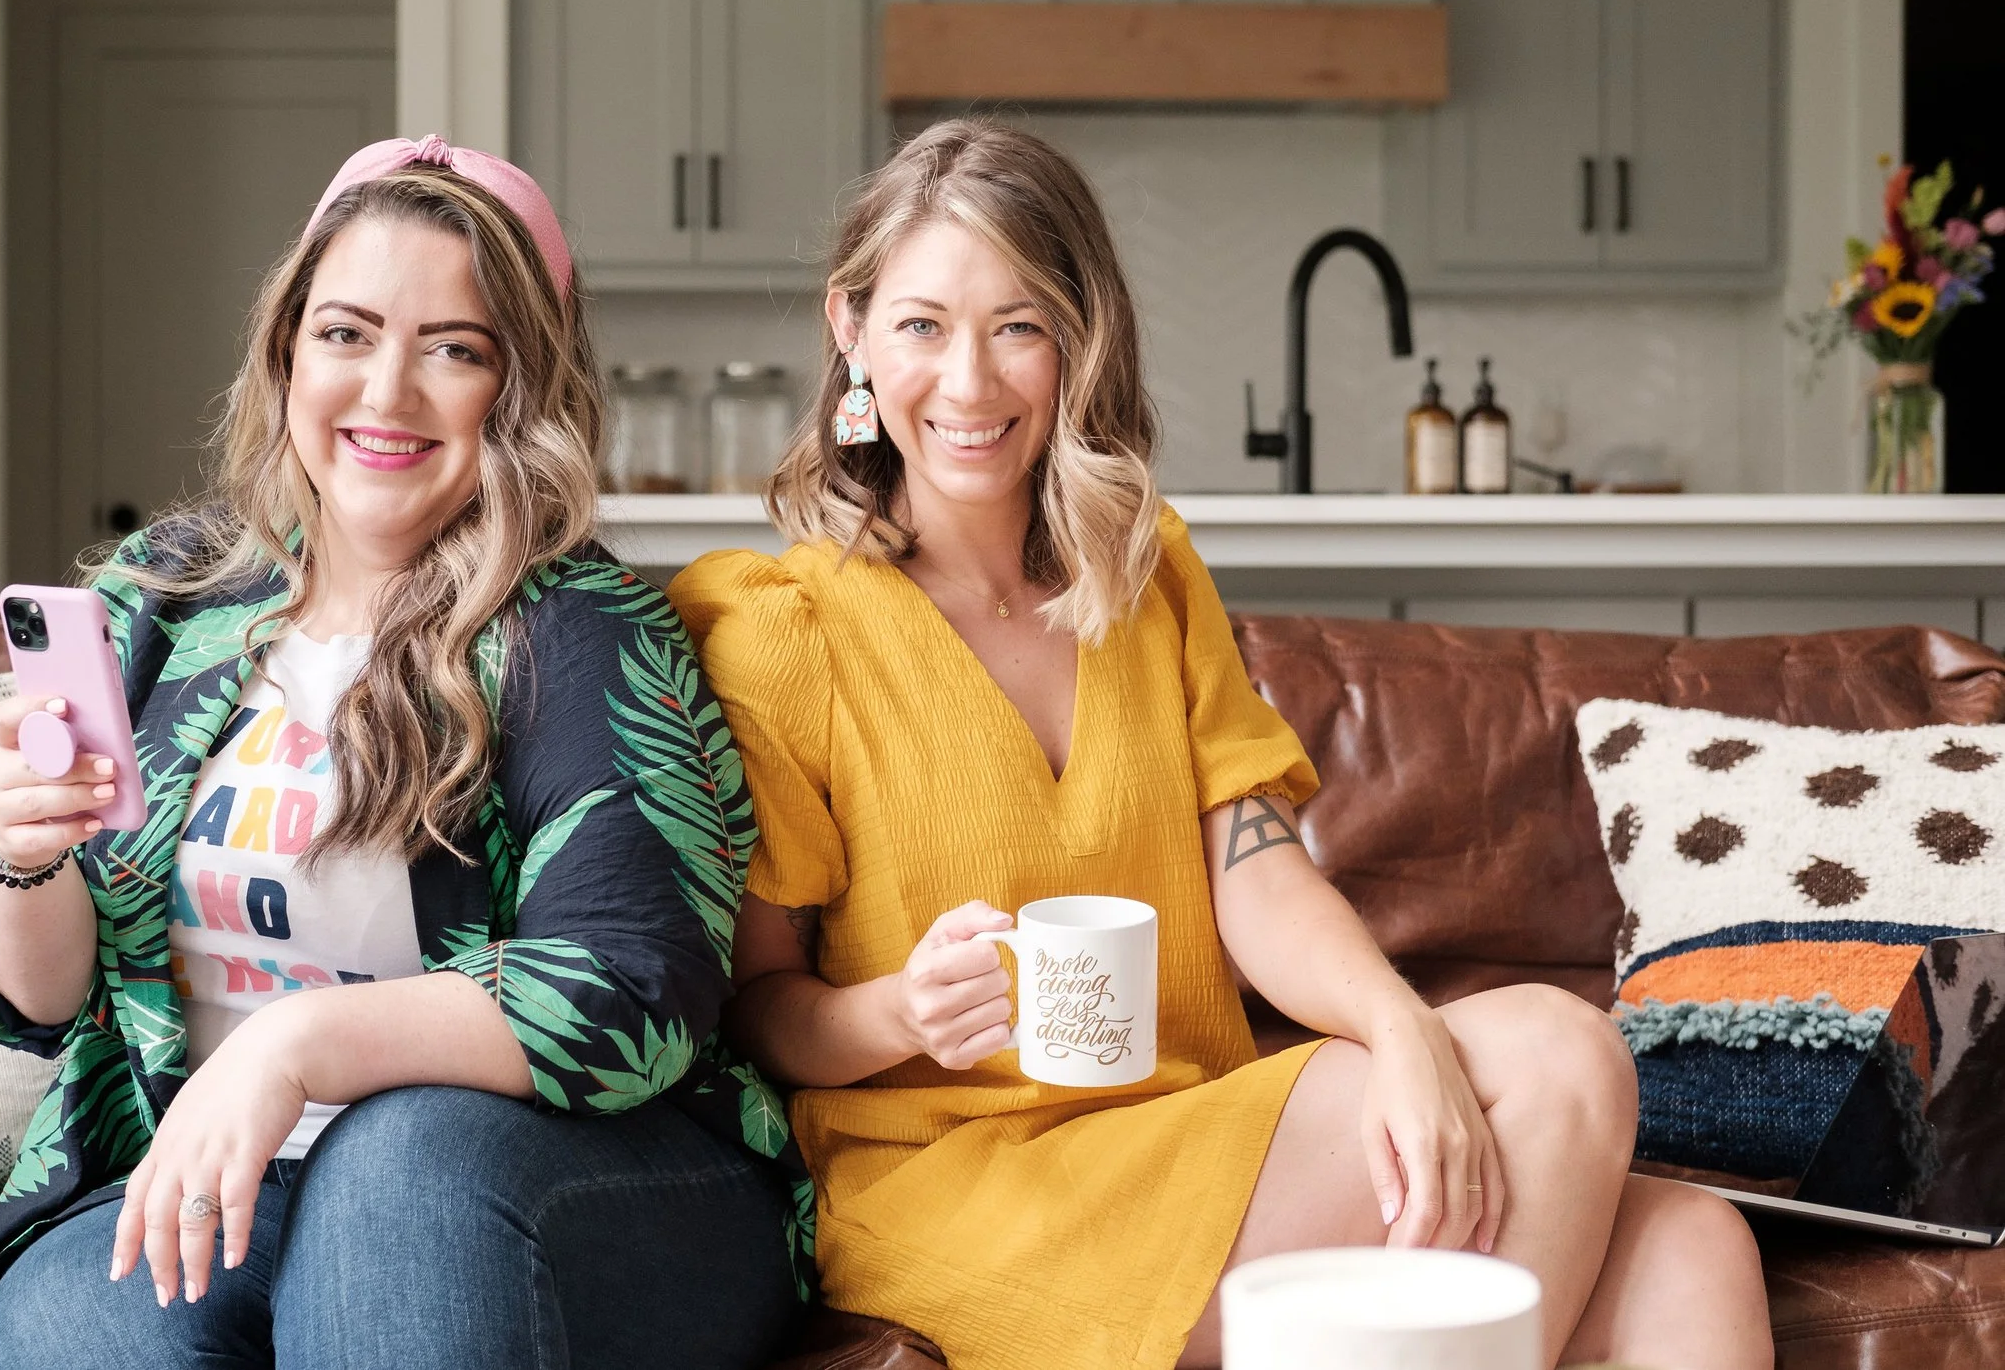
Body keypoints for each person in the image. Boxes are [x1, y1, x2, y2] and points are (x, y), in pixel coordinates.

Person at [667, 119, 1771, 1370]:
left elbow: (1253, 862)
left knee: (1695, 1245)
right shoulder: (784, 633)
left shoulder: (1142, 575)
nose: (968, 381)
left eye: (1017, 323)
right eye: (921, 324)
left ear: (1077, 339)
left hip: (1190, 1116)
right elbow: (759, 1008)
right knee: (1567, 1053)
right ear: (849, 328)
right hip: (959, 1171)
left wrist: (1400, 1031)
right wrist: (898, 1008)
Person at [0, 135, 806, 1370]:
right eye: (347, 334)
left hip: (560, 1185)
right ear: (288, 350)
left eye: (453, 349)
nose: (387, 392)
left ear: (520, 389)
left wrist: (292, 1049)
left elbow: (629, 990)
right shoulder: (167, 598)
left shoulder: (582, 629)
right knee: (71, 1320)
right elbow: (38, 1004)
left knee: (396, 1170)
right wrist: (12, 847)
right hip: (214, 1182)